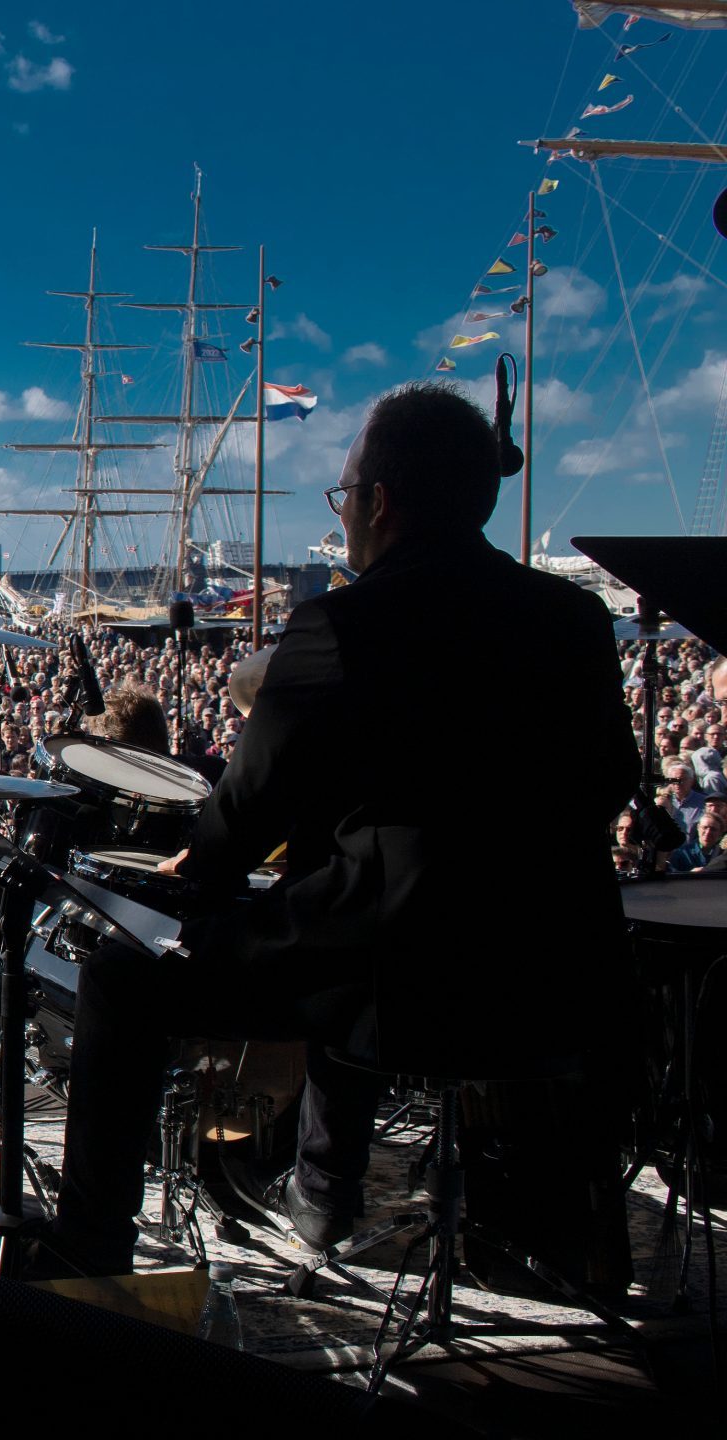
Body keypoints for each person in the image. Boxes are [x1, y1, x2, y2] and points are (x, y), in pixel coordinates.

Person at [46, 383, 639, 1277]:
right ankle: (325, 1189)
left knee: (127, 974)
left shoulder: (342, 626)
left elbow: (243, 817)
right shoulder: (576, 619)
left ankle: (88, 1256)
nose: (346, 510)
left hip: (400, 979)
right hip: (552, 976)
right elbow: (610, 784)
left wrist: (195, 868)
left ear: (378, 502)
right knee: (335, 912)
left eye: (345, 492)